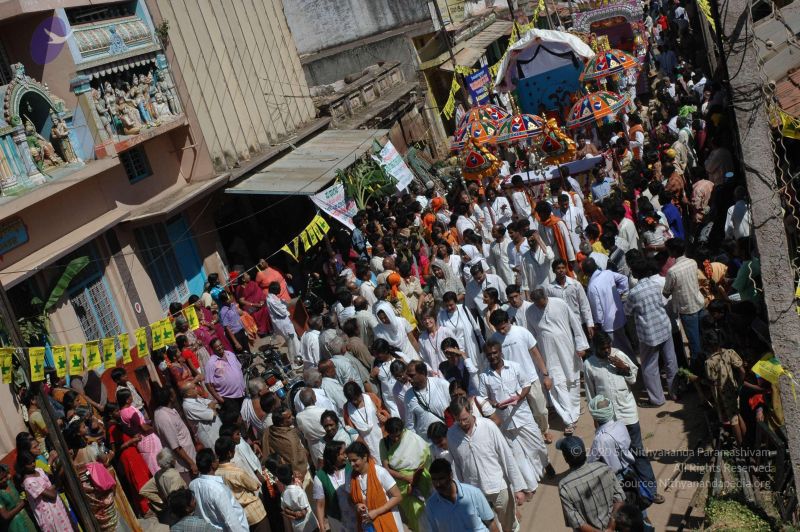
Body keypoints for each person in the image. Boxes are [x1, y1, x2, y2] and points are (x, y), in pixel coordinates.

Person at [584, 331, 662, 504]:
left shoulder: (619, 355)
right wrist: (596, 419)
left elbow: (633, 379)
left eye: (608, 347)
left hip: (627, 413)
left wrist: (624, 368)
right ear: (595, 348)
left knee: (637, 451)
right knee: (616, 458)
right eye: (603, 348)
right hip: (609, 420)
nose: (607, 351)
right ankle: (629, 494)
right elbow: (591, 395)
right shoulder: (589, 365)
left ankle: (651, 491)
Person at [478, 340, 547, 497]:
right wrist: (495, 404)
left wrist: (519, 397)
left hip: (523, 415)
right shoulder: (484, 376)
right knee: (518, 456)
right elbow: (483, 398)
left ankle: (545, 465)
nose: (492, 356)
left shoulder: (514, 367)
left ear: (500, 352)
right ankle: (531, 486)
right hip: (505, 421)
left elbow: (526, 384)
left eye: (495, 353)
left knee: (538, 447)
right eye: (489, 354)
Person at [447, 396, 526, 532]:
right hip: (474, 492)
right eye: (458, 420)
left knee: (509, 526)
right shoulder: (451, 434)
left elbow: (506, 455)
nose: (462, 423)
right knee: (487, 527)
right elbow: (456, 466)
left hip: (498, 486)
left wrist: (518, 487)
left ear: (471, 411)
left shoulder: (488, 426)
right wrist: (460, 493)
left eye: (465, 419)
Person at [527, 289, 589, 434]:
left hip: (567, 350)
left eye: (542, 303)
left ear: (546, 297)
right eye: (537, 304)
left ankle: (573, 412)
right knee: (556, 385)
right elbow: (532, 336)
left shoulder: (560, 304)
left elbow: (575, 323)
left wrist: (581, 345)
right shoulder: (530, 312)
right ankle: (568, 420)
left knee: (572, 381)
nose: (540, 307)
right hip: (548, 355)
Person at [488, 309, 552, 439]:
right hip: (511, 384)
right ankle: (533, 435)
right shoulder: (494, 339)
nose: (502, 331)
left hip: (530, 378)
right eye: (498, 329)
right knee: (519, 413)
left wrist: (545, 375)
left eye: (503, 327)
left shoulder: (522, 332)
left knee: (540, 410)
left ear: (508, 321)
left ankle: (545, 429)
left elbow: (536, 354)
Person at [625, 258, 679, 406]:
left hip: (648, 334)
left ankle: (657, 399)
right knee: (670, 360)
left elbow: (627, 311)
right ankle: (675, 391)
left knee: (649, 367)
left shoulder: (633, 293)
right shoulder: (655, 285)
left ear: (635, 274)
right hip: (664, 326)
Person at [556, 435, 625, 531]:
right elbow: (620, 499)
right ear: (585, 452)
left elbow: (576, 522)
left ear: (565, 458)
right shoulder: (604, 468)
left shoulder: (565, 486)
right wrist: (610, 527)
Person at [379, 418, 432, 530]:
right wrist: (406, 478)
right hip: (402, 486)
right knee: (413, 513)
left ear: (403, 430)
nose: (396, 439)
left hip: (420, 479)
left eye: (398, 436)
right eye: (393, 436)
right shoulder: (384, 443)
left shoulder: (413, 439)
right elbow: (386, 468)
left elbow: (425, 459)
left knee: (427, 510)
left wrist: (414, 480)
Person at [426, 458, 500, 532]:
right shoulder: (431, 505)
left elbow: (491, 523)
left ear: (450, 475)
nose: (437, 484)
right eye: (434, 479)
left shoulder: (474, 493)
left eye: (441, 479)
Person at [344, 441, 404, 531]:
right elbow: (350, 499)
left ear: (365, 457)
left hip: (388, 522)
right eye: (350, 461)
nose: (352, 464)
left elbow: (398, 497)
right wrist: (357, 505)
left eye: (355, 460)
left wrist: (376, 512)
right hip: (366, 525)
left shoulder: (380, 472)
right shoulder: (350, 476)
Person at [663, 238, 705, 362]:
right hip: (699, 303)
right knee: (702, 338)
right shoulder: (692, 262)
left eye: (669, 249)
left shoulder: (672, 271)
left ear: (674, 251)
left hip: (687, 310)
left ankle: (698, 368)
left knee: (694, 343)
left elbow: (666, 293)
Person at [105, 402, 152, 515]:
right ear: (111, 414)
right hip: (127, 457)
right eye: (116, 411)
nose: (119, 412)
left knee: (143, 477)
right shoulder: (112, 428)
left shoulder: (118, 424)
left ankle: (150, 504)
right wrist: (132, 441)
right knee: (137, 481)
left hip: (133, 454)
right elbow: (115, 450)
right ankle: (145, 509)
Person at [215, 437, 270, 532]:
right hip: (255, 513)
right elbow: (255, 486)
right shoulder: (238, 472)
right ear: (229, 453)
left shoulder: (216, 474)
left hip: (239, 516)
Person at [583, 257, 634, 355]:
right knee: (626, 345)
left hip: (608, 324)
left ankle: (629, 363)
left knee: (617, 351)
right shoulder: (608, 273)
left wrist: (599, 325)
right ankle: (633, 362)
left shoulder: (592, 287)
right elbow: (624, 279)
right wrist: (618, 293)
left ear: (585, 273)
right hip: (619, 316)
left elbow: (598, 311)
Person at [189, 449, 249, 532]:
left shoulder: (193, 484)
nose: (218, 460)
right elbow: (231, 521)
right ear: (212, 465)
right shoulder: (218, 489)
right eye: (216, 458)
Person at [704, 330, 747, 444]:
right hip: (734, 388)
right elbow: (742, 371)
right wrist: (739, 385)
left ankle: (741, 447)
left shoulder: (709, 362)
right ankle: (747, 442)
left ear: (707, 345)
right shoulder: (729, 352)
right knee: (737, 414)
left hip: (723, 395)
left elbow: (712, 380)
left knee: (733, 421)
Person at [16, 451, 71, 532]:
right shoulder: (29, 482)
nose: (33, 464)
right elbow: (52, 495)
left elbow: (50, 487)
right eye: (29, 463)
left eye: (33, 461)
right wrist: (59, 478)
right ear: (23, 466)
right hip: (48, 515)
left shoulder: (39, 470)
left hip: (57, 507)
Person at [151, 386, 198, 481]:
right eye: (174, 394)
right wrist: (191, 463)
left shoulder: (166, 411)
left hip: (189, 456)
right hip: (184, 464)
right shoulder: (164, 417)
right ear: (171, 398)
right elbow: (175, 446)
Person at [117, 387, 163, 475]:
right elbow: (144, 427)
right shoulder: (130, 411)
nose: (132, 397)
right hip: (148, 440)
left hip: (141, 441)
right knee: (160, 464)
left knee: (154, 466)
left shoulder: (122, 413)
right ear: (127, 400)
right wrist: (155, 425)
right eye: (131, 396)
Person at [312, 441, 355, 532]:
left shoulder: (352, 467)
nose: (346, 456)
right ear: (333, 456)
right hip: (337, 521)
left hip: (355, 515)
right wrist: (322, 526)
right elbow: (320, 504)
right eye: (342, 454)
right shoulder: (321, 476)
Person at [546, 259, 595, 337]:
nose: (561, 270)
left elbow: (584, 304)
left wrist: (589, 323)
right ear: (553, 271)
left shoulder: (575, 284)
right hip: (563, 327)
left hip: (579, 324)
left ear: (566, 269)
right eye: (558, 268)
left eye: (563, 268)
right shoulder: (550, 289)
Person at [587, 395, 635, 475]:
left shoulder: (600, 439)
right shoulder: (621, 425)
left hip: (614, 477)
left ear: (595, 418)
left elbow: (591, 462)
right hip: (630, 470)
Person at [405, 360, 451, 439]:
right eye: (407, 375)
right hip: (428, 442)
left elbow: (456, 408)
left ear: (423, 373)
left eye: (411, 375)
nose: (408, 378)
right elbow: (410, 425)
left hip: (449, 436)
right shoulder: (408, 396)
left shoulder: (442, 384)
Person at [343, 382, 387, 465]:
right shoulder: (347, 408)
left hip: (383, 438)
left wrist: (384, 418)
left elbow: (385, 412)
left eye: (356, 398)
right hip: (367, 444)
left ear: (360, 392)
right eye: (352, 400)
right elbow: (352, 432)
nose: (355, 401)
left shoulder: (371, 397)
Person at [438, 291, 484, 366]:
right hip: (454, 348)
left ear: (455, 302)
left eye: (451, 305)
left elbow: (474, 325)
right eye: (446, 306)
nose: (449, 308)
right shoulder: (441, 315)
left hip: (469, 344)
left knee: (474, 365)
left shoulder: (463, 309)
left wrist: (481, 341)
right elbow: (441, 333)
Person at [138, 449, 188, 519]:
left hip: (172, 510)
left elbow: (143, 491)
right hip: (181, 511)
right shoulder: (175, 476)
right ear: (171, 461)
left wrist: (160, 501)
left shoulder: (158, 474)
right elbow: (176, 498)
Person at [267, 407, 309, 481]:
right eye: (289, 417)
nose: (293, 417)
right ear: (281, 423)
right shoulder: (289, 439)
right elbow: (295, 459)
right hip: (302, 474)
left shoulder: (270, 431)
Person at [205, 338, 246, 412]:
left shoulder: (230, 354)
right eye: (217, 347)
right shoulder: (211, 363)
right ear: (213, 349)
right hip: (228, 398)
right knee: (238, 417)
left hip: (242, 393)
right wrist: (219, 399)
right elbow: (208, 384)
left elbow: (239, 369)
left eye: (220, 345)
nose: (220, 347)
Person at [276, 463, 318, 532]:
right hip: (309, 525)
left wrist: (293, 513)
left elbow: (284, 509)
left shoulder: (283, 494)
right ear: (292, 476)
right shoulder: (299, 491)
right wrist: (298, 514)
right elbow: (304, 512)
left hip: (297, 528)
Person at [180, 381, 221, 450]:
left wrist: (210, 407)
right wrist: (211, 408)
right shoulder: (188, 406)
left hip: (216, 430)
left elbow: (212, 402)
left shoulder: (196, 398)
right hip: (210, 437)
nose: (196, 388)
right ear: (188, 393)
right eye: (194, 388)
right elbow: (212, 414)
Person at [267, 281, 301, 357]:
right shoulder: (272, 300)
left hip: (283, 323)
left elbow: (285, 303)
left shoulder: (272, 297)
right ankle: (297, 357)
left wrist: (295, 300)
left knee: (291, 340)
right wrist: (287, 308)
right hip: (283, 324)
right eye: (279, 288)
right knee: (293, 340)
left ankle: (296, 356)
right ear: (275, 290)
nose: (280, 290)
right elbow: (282, 312)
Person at [295, 388, 329, 465]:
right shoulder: (323, 411)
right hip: (328, 443)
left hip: (314, 448)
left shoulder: (299, 417)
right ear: (313, 398)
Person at [0, 463, 36, 532]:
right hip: (16, 525)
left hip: (26, 518)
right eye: (0, 479)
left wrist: (24, 497)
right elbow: (5, 516)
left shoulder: (9, 483)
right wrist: (22, 504)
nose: (4, 480)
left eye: (4, 476)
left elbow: (20, 493)